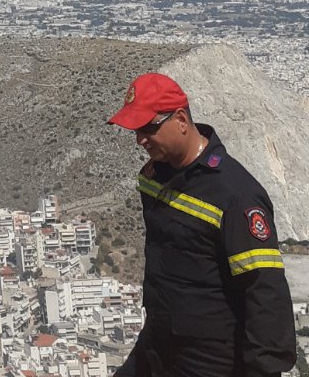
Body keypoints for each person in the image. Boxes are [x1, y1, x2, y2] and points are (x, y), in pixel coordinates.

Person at [108, 72, 296, 377]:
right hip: (158, 341)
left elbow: (264, 290)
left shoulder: (236, 195)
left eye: (148, 128)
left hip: (211, 360)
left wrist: (264, 370)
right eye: (135, 129)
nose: (140, 139)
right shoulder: (155, 177)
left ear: (181, 120)